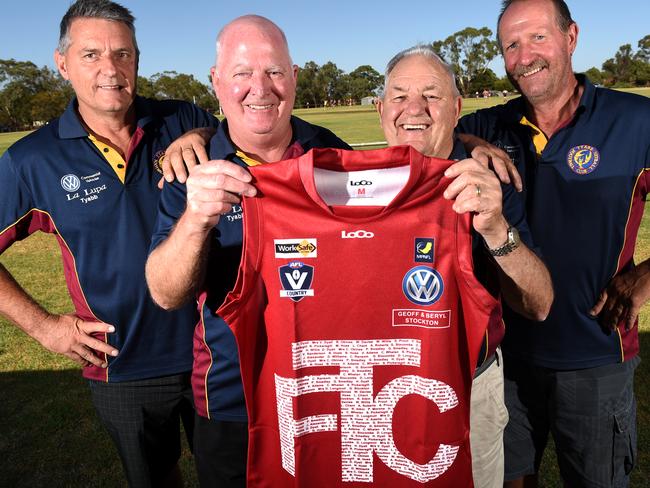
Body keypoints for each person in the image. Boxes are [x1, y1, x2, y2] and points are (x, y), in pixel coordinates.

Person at [0, 1, 219, 486]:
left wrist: (202, 132)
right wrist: (42, 327)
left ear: (137, 60)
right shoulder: (31, 160)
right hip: (123, 366)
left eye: (122, 54)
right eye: (92, 55)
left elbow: (249, 148)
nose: (110, 69)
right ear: (62, 64)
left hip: (217, 349)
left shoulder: (183, 119)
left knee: (236, 477)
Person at [145, 15, 351, 487]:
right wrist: (197, 219)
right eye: (241, 73)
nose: (260, 88)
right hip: (232, 401)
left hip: (330, 387)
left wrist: (469, 142)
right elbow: (165, 292)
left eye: (275, 72)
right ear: (216, 83)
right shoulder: (192, 171)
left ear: (295, 78)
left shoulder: (334, 155)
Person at [458, 1, 650, 486]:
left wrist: (648, 274)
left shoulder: (635, 120)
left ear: (571, 37)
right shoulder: (490, 126)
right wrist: (468, 143)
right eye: (511, 45)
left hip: (595, 357)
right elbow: (430, 137)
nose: (525, 56)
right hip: (505, 360)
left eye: (538, 38)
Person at [377, 44, 552, 488]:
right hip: (371, 388)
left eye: (431, 95)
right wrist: (195, 140)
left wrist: (494, 227)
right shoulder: (345, 180)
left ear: (457, 108)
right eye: (399, 96)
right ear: (380, 109)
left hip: (469, 384)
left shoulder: (487, 182)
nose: (413, 109)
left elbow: (539, 304)